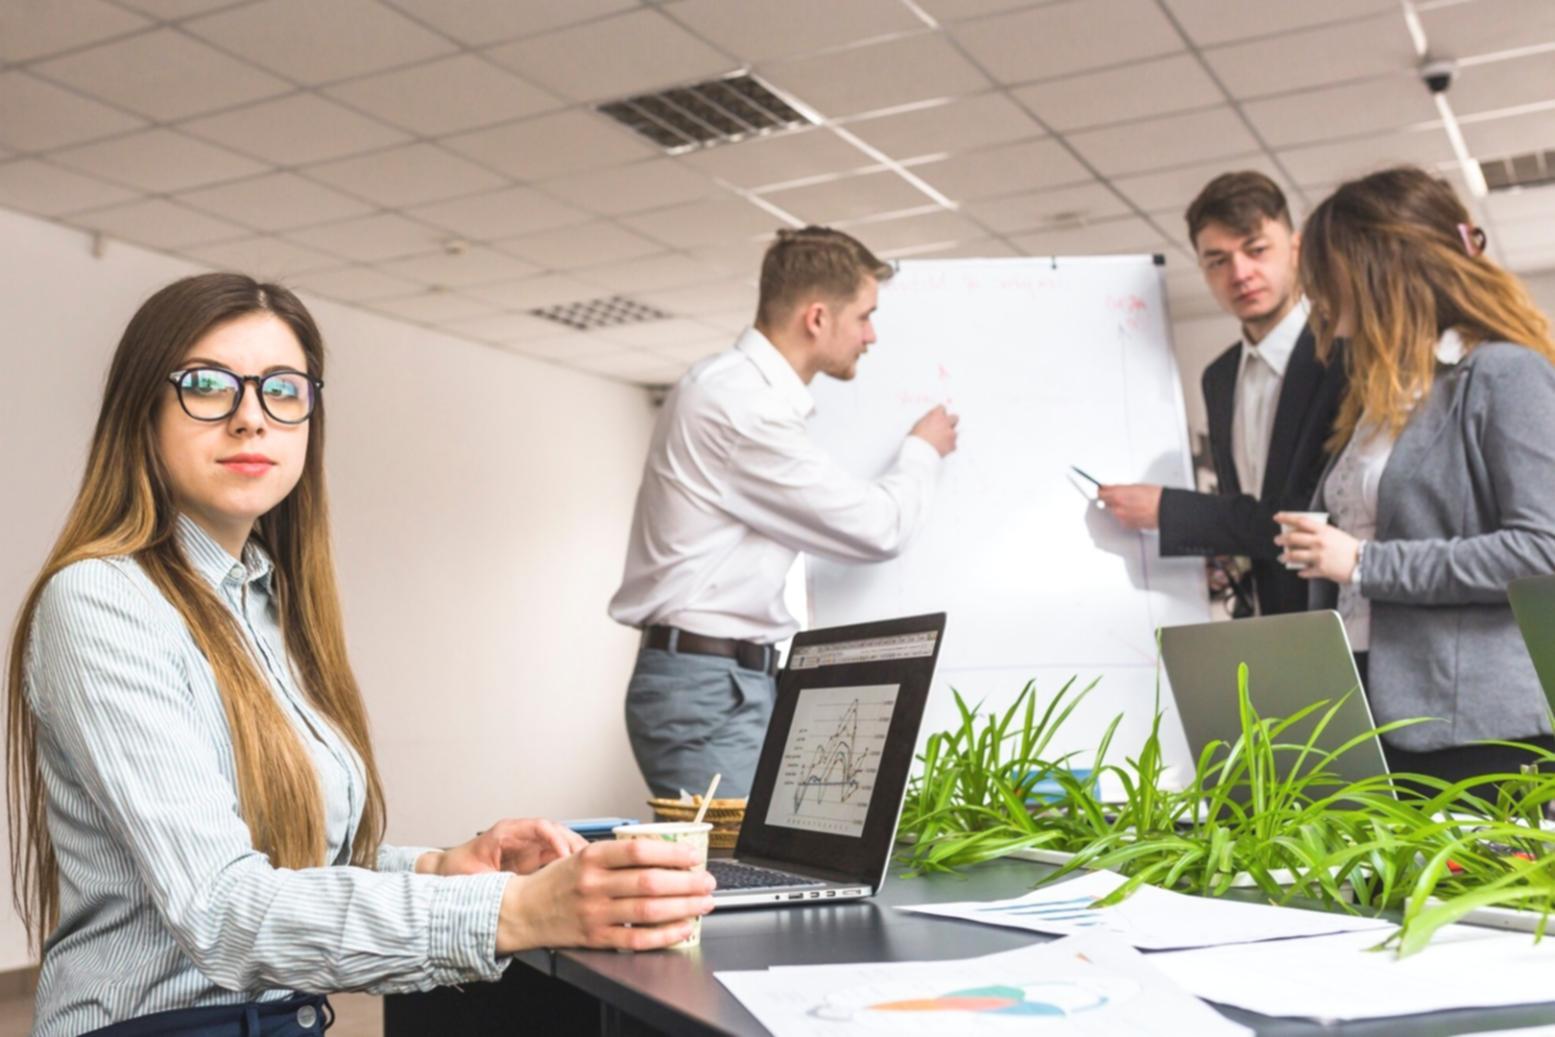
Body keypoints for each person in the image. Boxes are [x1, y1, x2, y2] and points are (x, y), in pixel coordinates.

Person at [5, 274, 715, 1037]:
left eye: (283, 389)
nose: (251, 418)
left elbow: (288, 865)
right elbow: (223, 910)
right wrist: (519, 909)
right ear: (141, 409)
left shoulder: (263, 602)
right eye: (207, 386)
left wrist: (440, 866)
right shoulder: (101, 601)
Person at [609, 226, 959, 798]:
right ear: (817, 318)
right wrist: (923, 450)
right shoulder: (739, 406)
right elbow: (878, 528)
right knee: (739, 879)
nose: (871, 335)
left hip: (729, 682)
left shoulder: (735, 391)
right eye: (865, 316)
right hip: (710, 692)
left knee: (765, 873)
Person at [1276, 166, 1555, 789]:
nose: (1316, 292)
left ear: (1381, 267)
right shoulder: (1376, 400)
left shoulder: (1504, 376)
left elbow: (1543, 553)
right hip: (1364, 711)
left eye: (1328, 271)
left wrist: (1364, 562)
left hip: (1476, 730)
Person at [1098, 172, 1346, 616]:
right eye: (1217, 260)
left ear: (1294, 248)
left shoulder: (1341, 353)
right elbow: (1247, 509)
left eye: (1256, 250)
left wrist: (1170, 511)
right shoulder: (1219, 376)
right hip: (1258, 617)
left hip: (1336, 611)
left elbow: (1307, 514)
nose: (1240, 273)